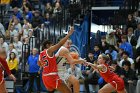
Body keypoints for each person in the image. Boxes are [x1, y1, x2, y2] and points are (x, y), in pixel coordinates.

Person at [38, 27, 85, 93]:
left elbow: (39, 64)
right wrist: (68, 34)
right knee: (70, 88)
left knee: (68, 85)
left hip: (45, 76)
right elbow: (59, 44)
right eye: (52, 45)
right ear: (47, 45)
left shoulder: (41, 54)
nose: (53, 46)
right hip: (53, 75)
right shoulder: (51, 50)